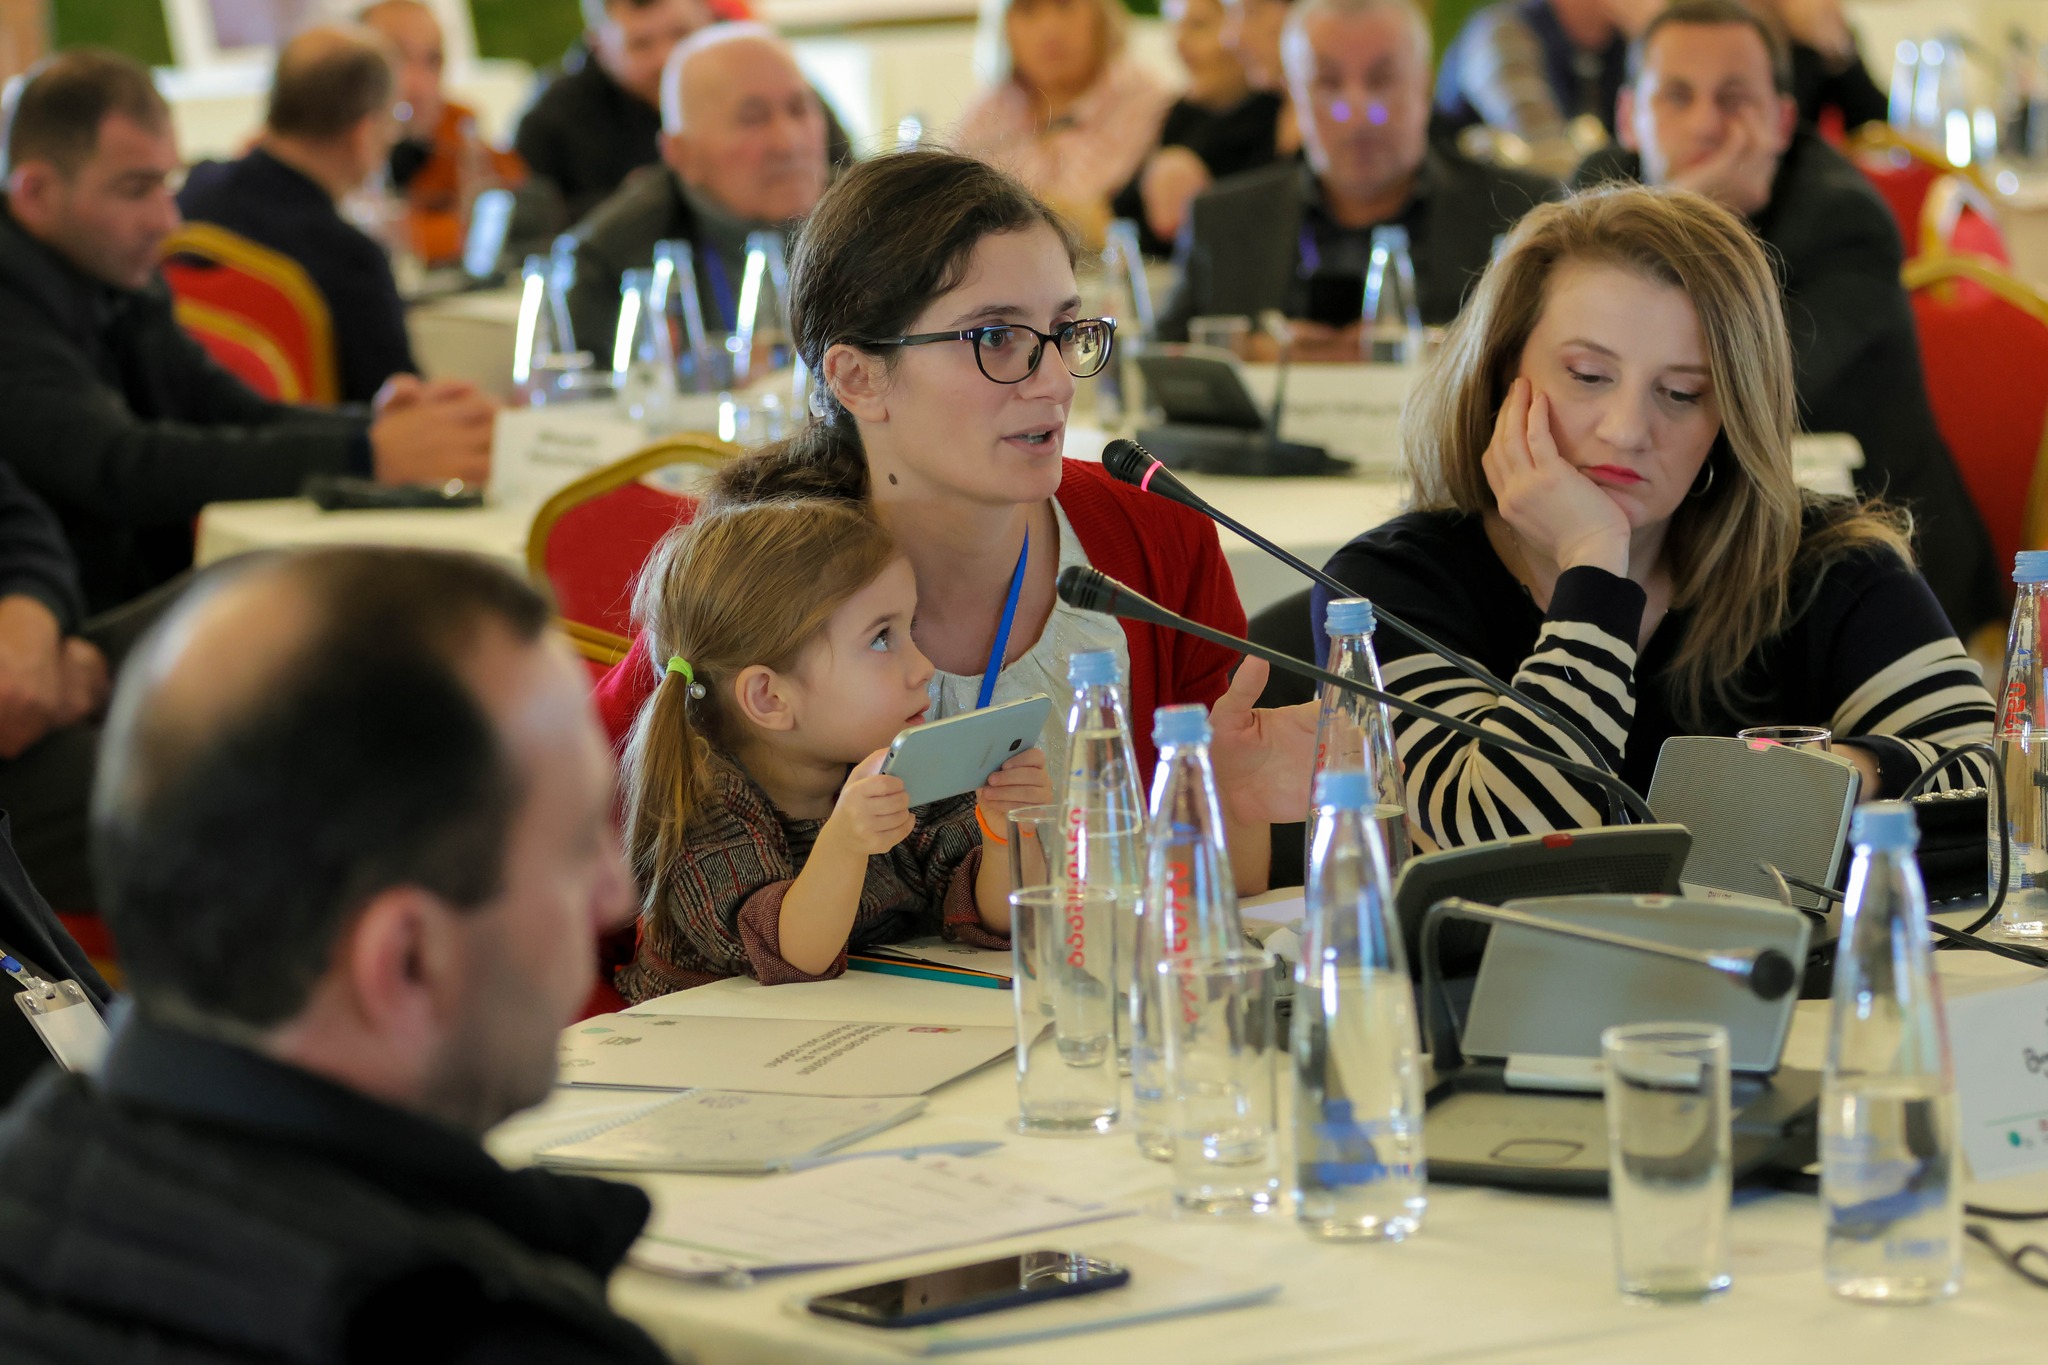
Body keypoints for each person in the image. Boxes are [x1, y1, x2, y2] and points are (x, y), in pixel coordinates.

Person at [0, 546, 669, 1362]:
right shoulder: (488, 1336)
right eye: (575, 848)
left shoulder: (35, 1195)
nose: (615, 895)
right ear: (408, 960)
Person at [595, 149, 1313, 893]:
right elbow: (558, 829)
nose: (1056, 381)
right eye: (996, 337)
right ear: (858, 377)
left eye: (1065, 329)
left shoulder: (1156, 534)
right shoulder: (759, 578)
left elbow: (1220, 906)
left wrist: (1230, 805)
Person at [1313, 185, 1994, 849]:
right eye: (1588, 375)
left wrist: (1829, 776)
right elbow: (1518, 840)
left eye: (1681, 393)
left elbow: (2006, 782)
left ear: (1729, 418)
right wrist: (1594, 564)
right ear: (1500, 375)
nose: (1627, 429)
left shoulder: (1828, 567)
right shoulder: (1386, 591)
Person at [0, 48, 493, 612]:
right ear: (35, 193)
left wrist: (382, 427)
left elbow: (228, 410)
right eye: (136, 190)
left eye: (167, 185)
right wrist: (365, 455)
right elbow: (120, 468)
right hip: (63, 619)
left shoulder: (113, 275)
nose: (168, 220)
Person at [1573, 0, 2003, 636]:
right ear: (1628, 116)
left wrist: (1697, 222)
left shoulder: (1845, 220)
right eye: (1677, 96)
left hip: (1864, 567)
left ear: (1781, 120)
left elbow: (1747, 395)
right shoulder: (1597, 189)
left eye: (1734, 99)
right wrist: (1678, 212)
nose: (1706, 124)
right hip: (1687, 536)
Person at [617, 500, 1049, 997]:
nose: (924, 667)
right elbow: (792, 954)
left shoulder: (900, 767)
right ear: (770, 698)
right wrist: (844, 842)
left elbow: (1003, 918)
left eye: (909, 629)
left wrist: (1005, 833)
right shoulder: (705, 804)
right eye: (882, 639)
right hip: (705, 1036)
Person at [1158, 0, 1559, 351]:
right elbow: (1163, 370)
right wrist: (1247, 360)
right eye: (1328, 82)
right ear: (1296, 95)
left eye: (1381, 80)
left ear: (1424, 85)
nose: (1357, 111)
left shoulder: (1518, 214)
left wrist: (1431, 353)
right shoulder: (1222, 224)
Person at [179, 25, 420, 403]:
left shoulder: (194, 193)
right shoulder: (349, 259)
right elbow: (403, 406)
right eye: (394, 120)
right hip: (315, 437)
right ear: (364, 133)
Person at [563, 23, 829, 356]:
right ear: (681, 154)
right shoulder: (611, 260)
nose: (789, 143)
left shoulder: (873, 220)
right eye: (753, 119)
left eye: (799, 110)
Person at [953, 0, 1175, 244]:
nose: (1049, 28)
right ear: (1003, 26)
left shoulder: (1146, 100)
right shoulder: (988, 112)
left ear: (1100, 15)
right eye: (1028, 10)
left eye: (1064, 5)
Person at [360, 0, 528, 268]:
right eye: (397, 58)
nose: (418, 83)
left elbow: (509, 220)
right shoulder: (333, 142)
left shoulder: (458, 130)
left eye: (432, 61)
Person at [515, 0, 712, 225]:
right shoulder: (551, 120)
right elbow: (524, 225)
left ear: (709, 23)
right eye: (641, 45)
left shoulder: (740, 83)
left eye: (682, 34)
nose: (667, 58)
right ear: (599, 46)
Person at [1111, 0, 1285, 254]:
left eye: (1199, 26)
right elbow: (1122, 217)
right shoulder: (1184, 113)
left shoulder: (1275, 119)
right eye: (1177, 27)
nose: (1179, 43)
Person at [1433, 0, 1641, 177]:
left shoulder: (1624, 39)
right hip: (1479, 202)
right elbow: (1544, 148)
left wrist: (1646, 37)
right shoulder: (1503, 32)